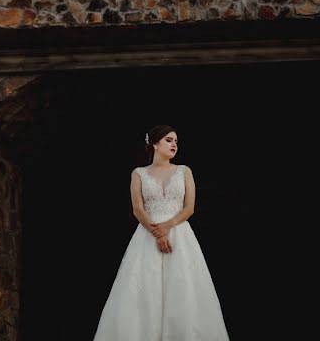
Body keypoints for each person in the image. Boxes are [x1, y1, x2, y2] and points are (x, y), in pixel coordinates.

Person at [92, 125, 229, 340]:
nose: (174, 144)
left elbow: (189, 208)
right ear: (155, 143)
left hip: (180, 235)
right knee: (144, 290)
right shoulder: (139, 173)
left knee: (183, 288)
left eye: (176, 141)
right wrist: (158, 233)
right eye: (168, 140)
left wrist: (167, 226)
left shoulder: (184, 171)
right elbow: (138, 209)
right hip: (147, 236)